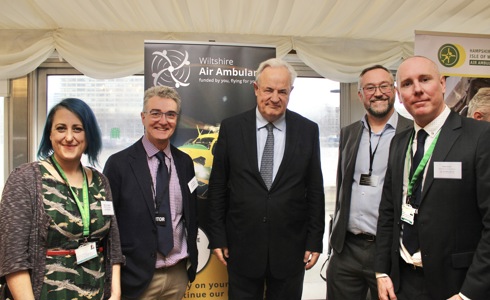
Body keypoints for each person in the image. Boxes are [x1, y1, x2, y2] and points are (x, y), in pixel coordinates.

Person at [207, 58, 325, 300]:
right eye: (268, 89)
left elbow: (315, 190)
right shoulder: (231, 128)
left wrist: (315, 240)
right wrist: (218, 236)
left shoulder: (308, 130)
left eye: (282, 91)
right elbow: (218, 186)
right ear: (256, 89)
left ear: (290, 92)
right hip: (241, 247)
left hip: (290, 249)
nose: (274, 97)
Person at [375, 56, 490, 300]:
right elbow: (388, 212)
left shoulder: (480, 137)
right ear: (398, 94)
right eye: (407, 84)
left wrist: (469, 293)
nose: (417, 90)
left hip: (455, 286)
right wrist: (382, 271)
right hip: (401, 282)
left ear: (442, 83)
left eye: (425, 80)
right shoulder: (399, 142)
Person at [0, 98, 124, 299]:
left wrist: (115, 294)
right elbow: (13, 256)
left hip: (99, 292)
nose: (69, 137)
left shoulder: (101, 181)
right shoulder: (25, 179)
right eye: (60, 128)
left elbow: (113, 244)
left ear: (88, 135)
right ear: (49, 134)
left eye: (77, 129)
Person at [103, 85, 198, 299]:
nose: (163, 121)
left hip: (177, 275)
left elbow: (191, 216)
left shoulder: (185, 163)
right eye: (155, 113)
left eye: (170, 115)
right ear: (143, 117)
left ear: (177, 119)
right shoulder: (118, 164)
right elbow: (109, 225)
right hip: (135, 278)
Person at [327, 65, 412, 300]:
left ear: (394, 90)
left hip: (389, 249)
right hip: (347, 249)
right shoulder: (349, 133)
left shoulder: (412, 131)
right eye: (370, 87)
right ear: (360, 95)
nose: (378, 93)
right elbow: (343, 185)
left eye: (384, 86)